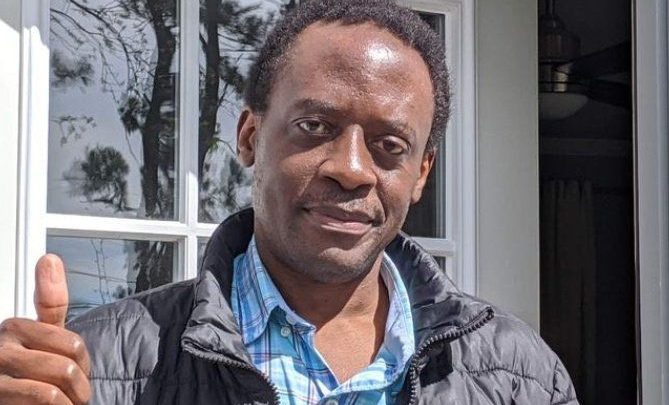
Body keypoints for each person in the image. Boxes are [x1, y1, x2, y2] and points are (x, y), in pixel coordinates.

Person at [0, 0, 577, 403]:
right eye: (315, 126)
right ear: (250, 137)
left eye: (390, 145)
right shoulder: (93, 370)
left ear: (421, 172)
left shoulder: (519, 377)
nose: (352, 170)